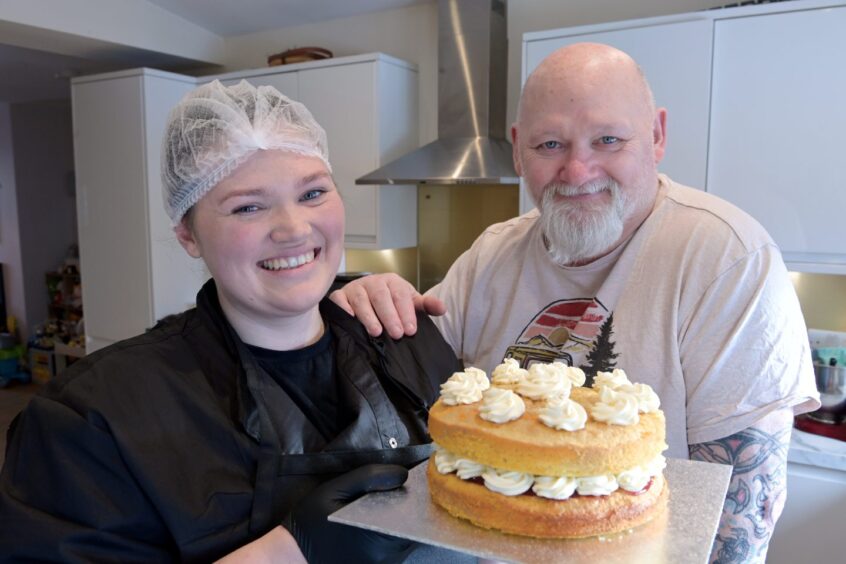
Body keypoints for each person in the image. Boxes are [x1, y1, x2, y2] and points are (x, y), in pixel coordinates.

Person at [332, 43, 820, 563]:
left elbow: (742, 513)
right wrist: (366, 307)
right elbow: (409, 394)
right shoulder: (492, 254)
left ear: (656, 136)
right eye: (550, 144)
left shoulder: (727, 260)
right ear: (519, 150)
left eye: (608, 139)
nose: (577, 170)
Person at [0, 80, 461, 562]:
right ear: (187, 235)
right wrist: (290, 549)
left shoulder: (407, 340)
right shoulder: (93, 420)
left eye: (313, 193)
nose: (294, 229)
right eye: (248, 206)